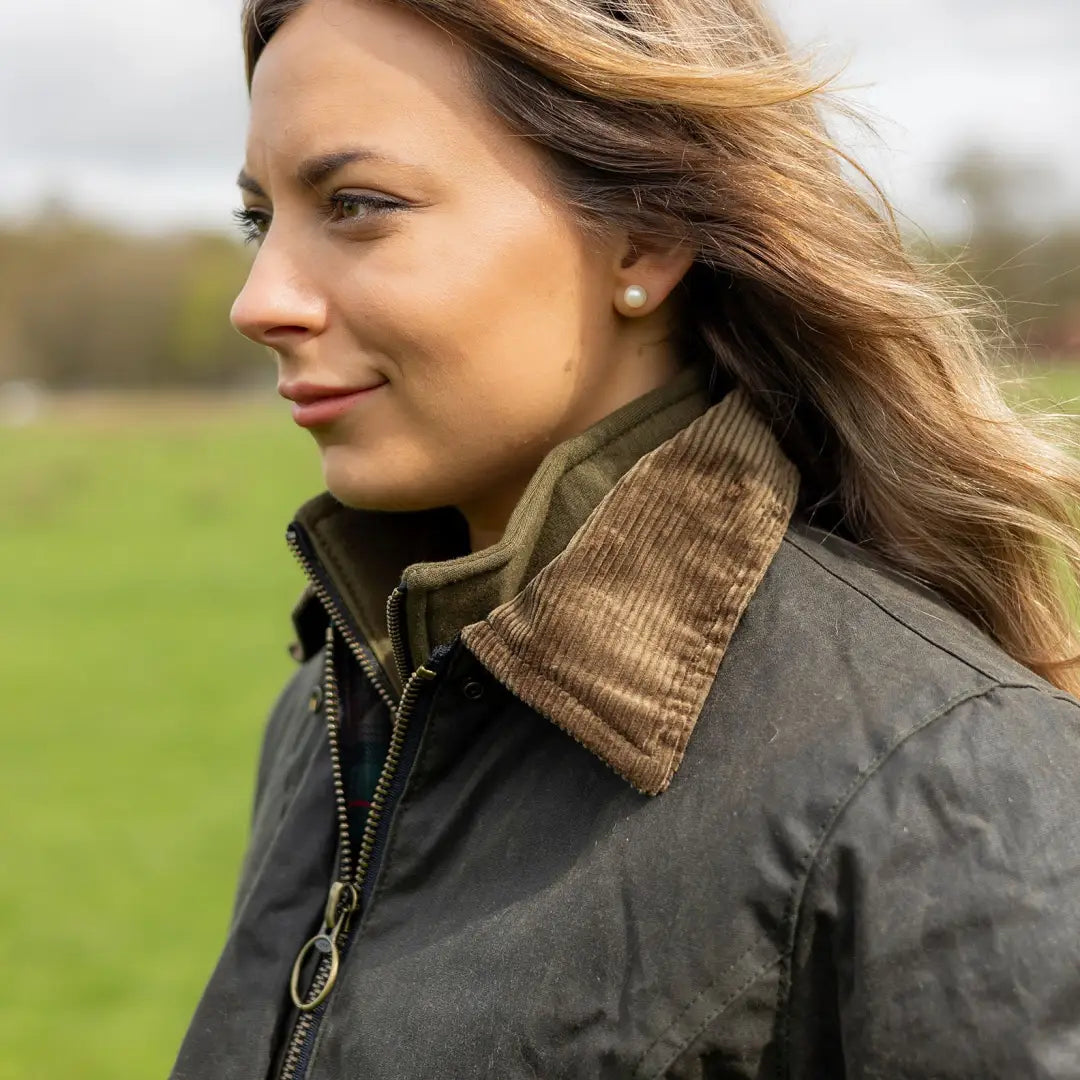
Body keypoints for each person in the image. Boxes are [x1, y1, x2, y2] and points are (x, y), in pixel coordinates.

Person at [171, 0, 1080, 1076]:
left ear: (644, 237)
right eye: (256, 220)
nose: (260, 298)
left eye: (358, 204)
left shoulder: (940, 776)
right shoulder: (342, 701)